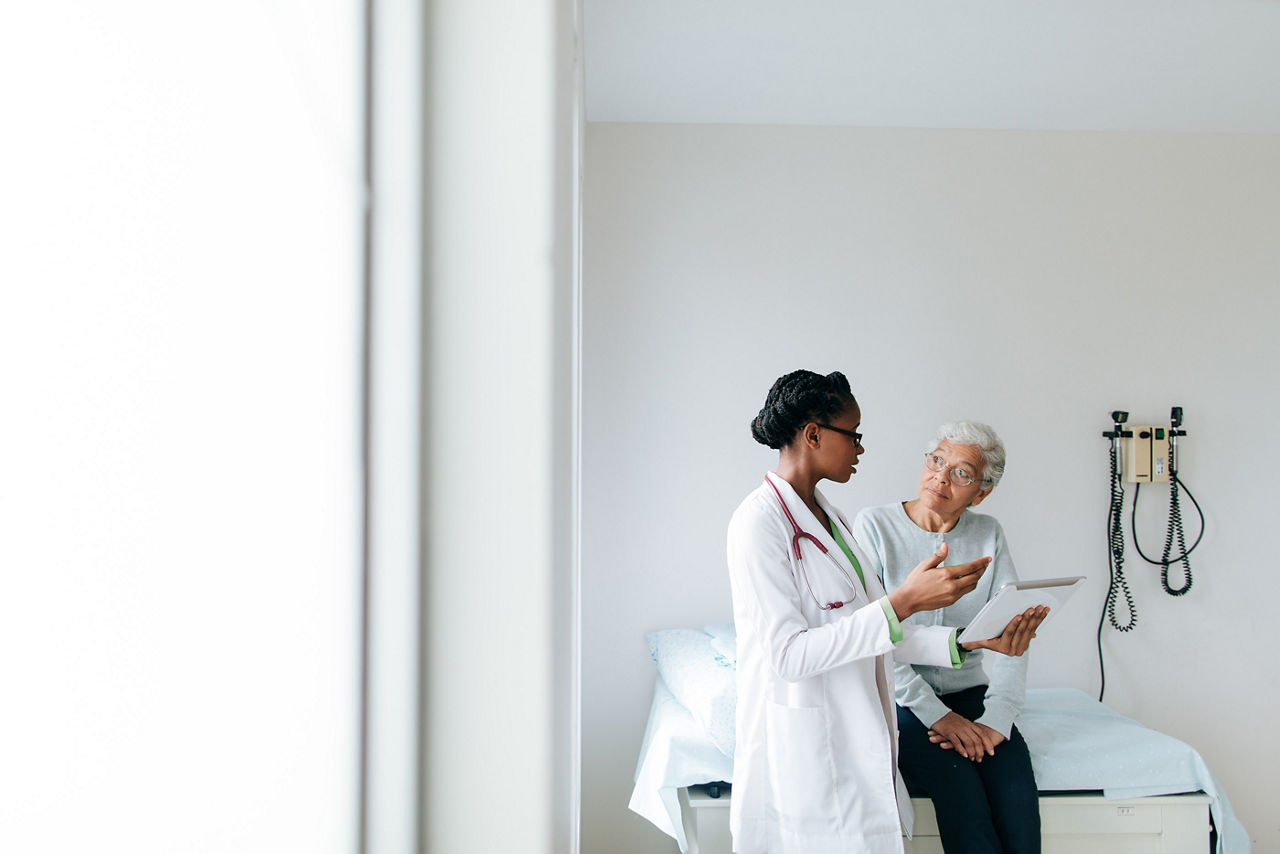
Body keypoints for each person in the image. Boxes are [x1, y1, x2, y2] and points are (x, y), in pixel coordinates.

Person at [726, 371, 1039, 854]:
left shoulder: (832, 519)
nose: (860, 448)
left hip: (860, 722)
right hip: (809, 739)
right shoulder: (758, 523)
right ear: (813, 434)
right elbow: (788, 656)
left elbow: (872, 628)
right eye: (853, 435)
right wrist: (904, 602)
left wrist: (965, 643)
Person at [852, 421, 1047, 854]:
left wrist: (997, 719)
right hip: (902, 702)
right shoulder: (874, 526)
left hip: (970, 693)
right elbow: (874, 637)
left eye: (962, 471)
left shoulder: (988, 533)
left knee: (1017, 803)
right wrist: (937, 716)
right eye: (937, 460)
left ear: (981, 492)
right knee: (964, 801)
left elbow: (1014, 634)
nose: (941, 476)